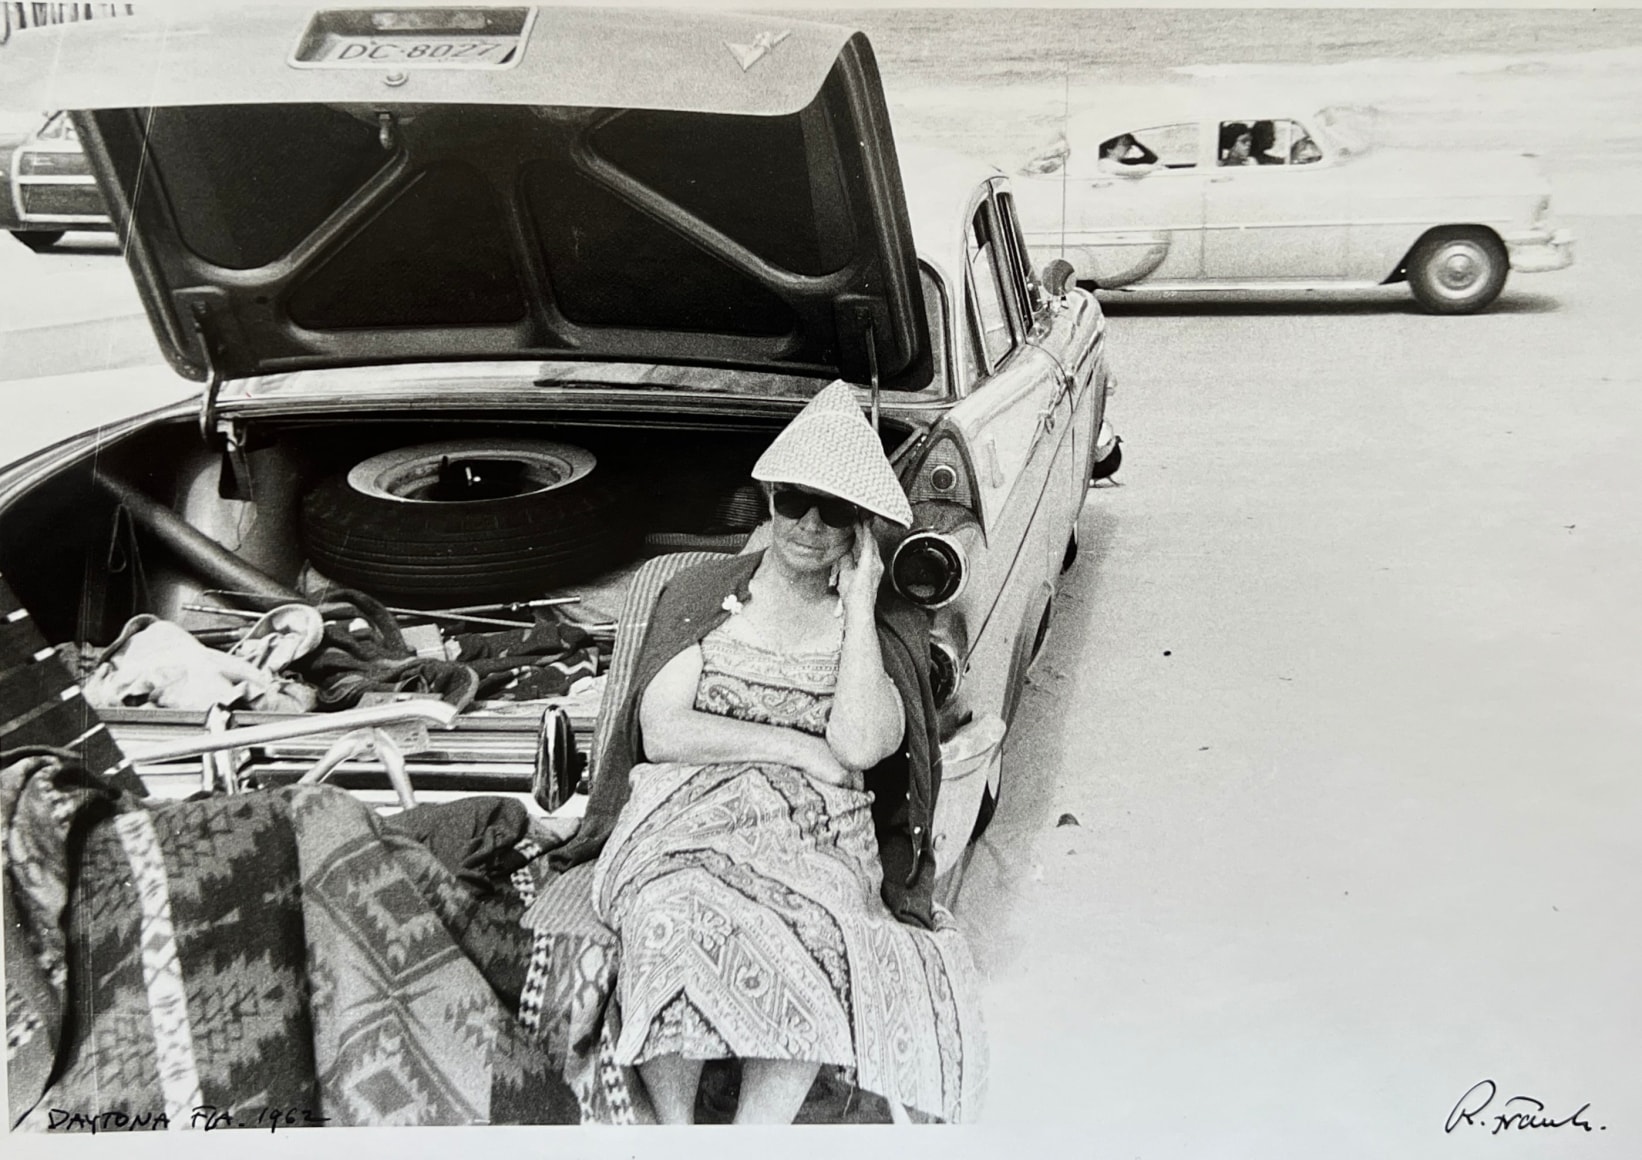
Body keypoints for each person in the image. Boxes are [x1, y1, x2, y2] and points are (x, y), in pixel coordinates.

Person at [552, 380, 985, 1124]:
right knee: (674, 911)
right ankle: (678, 1129)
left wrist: (858, 603)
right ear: (768, 498)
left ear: (860, 528)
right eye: (795, 501)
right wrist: (796, 749)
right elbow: (663, 730)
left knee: (816, 927)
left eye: (837, 511)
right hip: (683, 824)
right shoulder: (705, 594)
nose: (810, 525)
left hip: (813, 840)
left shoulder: (876, 630)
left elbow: (858, 741)